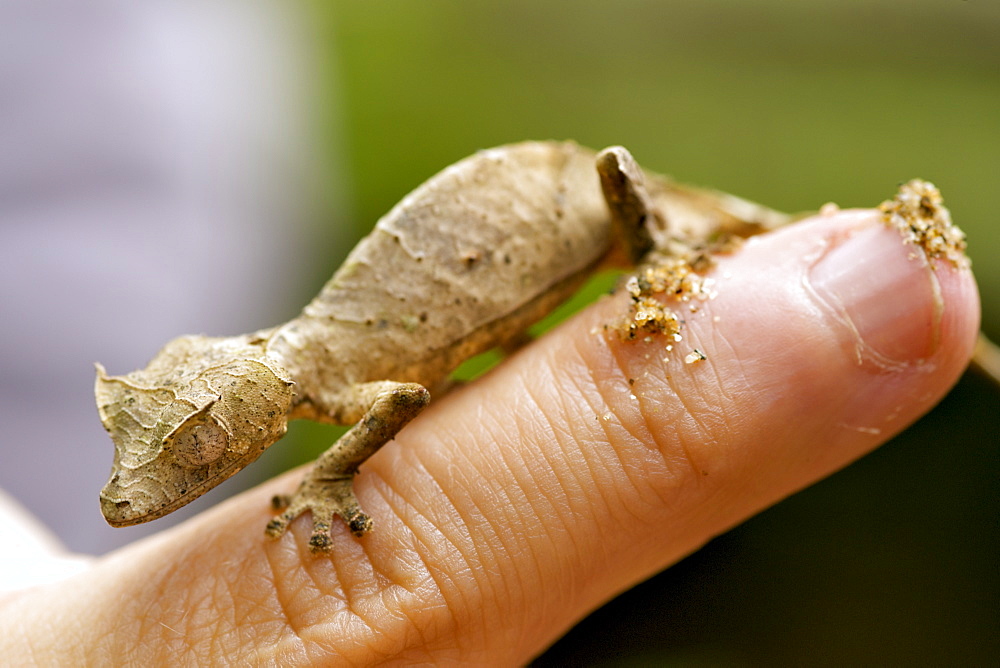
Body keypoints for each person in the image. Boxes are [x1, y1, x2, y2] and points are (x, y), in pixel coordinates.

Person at [0, 206, 980, 663]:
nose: (146, 488)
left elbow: (400, 403)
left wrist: (333, 480)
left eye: (191, 454)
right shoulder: (314, 378)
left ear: (235, 419)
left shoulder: (339, 389)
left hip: (577, 207)